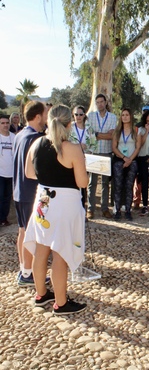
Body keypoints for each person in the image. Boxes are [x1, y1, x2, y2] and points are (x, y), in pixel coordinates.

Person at [23, 104, 88, 314]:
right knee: (60, 252)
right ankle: (61, 303)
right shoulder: (72, 148)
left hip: (43, 200)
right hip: (65, 204)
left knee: (41, 248)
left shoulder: (36, 144)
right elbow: (83, 182)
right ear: (69, 123)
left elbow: (29, 173)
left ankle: (41, 294)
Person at [13, 100, 49, 286]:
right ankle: (27, 274)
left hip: (19, 191)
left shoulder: (20, 135)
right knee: (30, 235)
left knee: (22, 231)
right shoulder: (34, 139)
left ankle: (24, 269)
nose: (47, 117)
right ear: (37, 116)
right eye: (45, 114)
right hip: (30, 192)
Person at [86, 94, 117, 219]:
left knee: (105, 183)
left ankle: (105, 209)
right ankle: (90, 208)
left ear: (106, 102)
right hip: (93, 152)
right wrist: (101, 134)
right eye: (97, 102)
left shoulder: (113, 117)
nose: (100, 104)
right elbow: (90, 134)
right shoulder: (90, 116)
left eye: (101, 102)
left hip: (106, 152)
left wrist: (97, 134)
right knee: (92, 183)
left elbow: (112, 136)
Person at [111, 108, 141, 220]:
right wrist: (124, 158)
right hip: (119, 161)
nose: (125, 117)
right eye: (123, 115)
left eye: (127, 115)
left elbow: (138, 147)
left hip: (132, 161)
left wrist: (129, 160)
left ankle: (128, 210)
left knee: (129, 186)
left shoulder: (136, 131)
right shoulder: (117, 131)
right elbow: (114, 147)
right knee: (118, 186)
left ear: (131, 116)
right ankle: (117, 209)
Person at [69, 105, 97, 211]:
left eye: (81, 114)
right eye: (76, 114)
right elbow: (65, 142)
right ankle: (73, 210)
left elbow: (94, 144)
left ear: (84, 115)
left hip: (85, 160)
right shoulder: (69, 128)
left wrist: (89, 151)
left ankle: (82, 210)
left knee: (84, 186)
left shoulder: (89, 129)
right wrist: (77, 147)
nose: (78, 116)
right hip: (71, 161)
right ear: (73, 115)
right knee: (73, 186)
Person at [0, 114, 15, 226]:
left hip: (11, 174)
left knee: (7, 198)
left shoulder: (14, 137)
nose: (5, 125)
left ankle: (3, 219)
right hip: (0, 173)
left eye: (7, 123)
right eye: (2, 123)